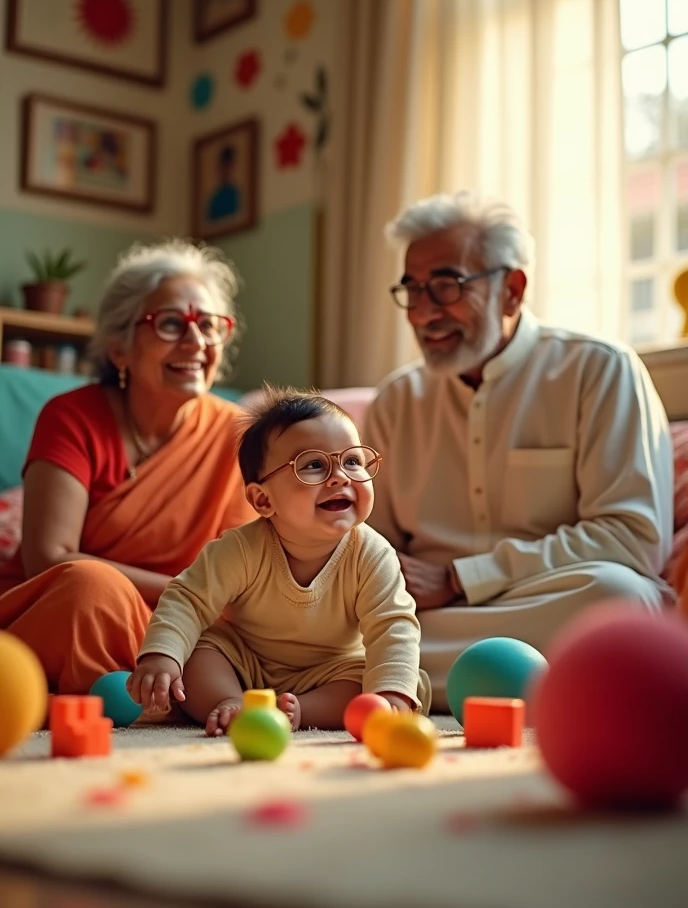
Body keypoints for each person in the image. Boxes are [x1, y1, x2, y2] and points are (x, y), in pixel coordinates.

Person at [364, 191, 674, 710]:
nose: (422, 314)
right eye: (412, 290)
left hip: (549, 597)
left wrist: (463, 578)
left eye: (445, 286)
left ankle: (391, 679)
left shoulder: (599, 370)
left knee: (623, 598)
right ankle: (546, 681)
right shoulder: (396, 400)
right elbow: (372, 547)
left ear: (512, 289)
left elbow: (633, 539)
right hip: (427, 618)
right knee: (347, 619)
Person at [0, 240, 255, 695]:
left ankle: (145, 691)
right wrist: (186, 590)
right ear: (119, 348)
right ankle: (152, 693)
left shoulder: (239, 435)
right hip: (71, 611)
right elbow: (49, 557)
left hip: (184, 625)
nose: (196, 341)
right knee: (92, 588)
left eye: (210, 326)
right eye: (172, 323)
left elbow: (244, 575)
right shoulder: (71, 416)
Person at [127, 387, 429, 734]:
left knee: (394, 679)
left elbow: (393, 626)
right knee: (198, 653)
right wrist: (161, 656)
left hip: (331, 670)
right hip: (243, 662)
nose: (340, 476)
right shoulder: (240, 548)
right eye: (313, 465)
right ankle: (230, 703)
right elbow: (188, 600)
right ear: (262, 500)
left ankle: (301, 711)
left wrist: (390, 694)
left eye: (352, 461)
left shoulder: (373, 555)